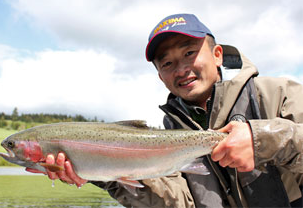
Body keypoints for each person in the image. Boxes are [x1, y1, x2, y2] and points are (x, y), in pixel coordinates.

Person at [29, 13, 303, 207]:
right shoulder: (170, 129)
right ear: (160, 76)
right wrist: (105, 174)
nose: (181, 69)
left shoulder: (277, 94)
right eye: (167, 63)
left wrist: (262, 139)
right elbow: (178, 202)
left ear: (217, 54)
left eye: (189, 53)